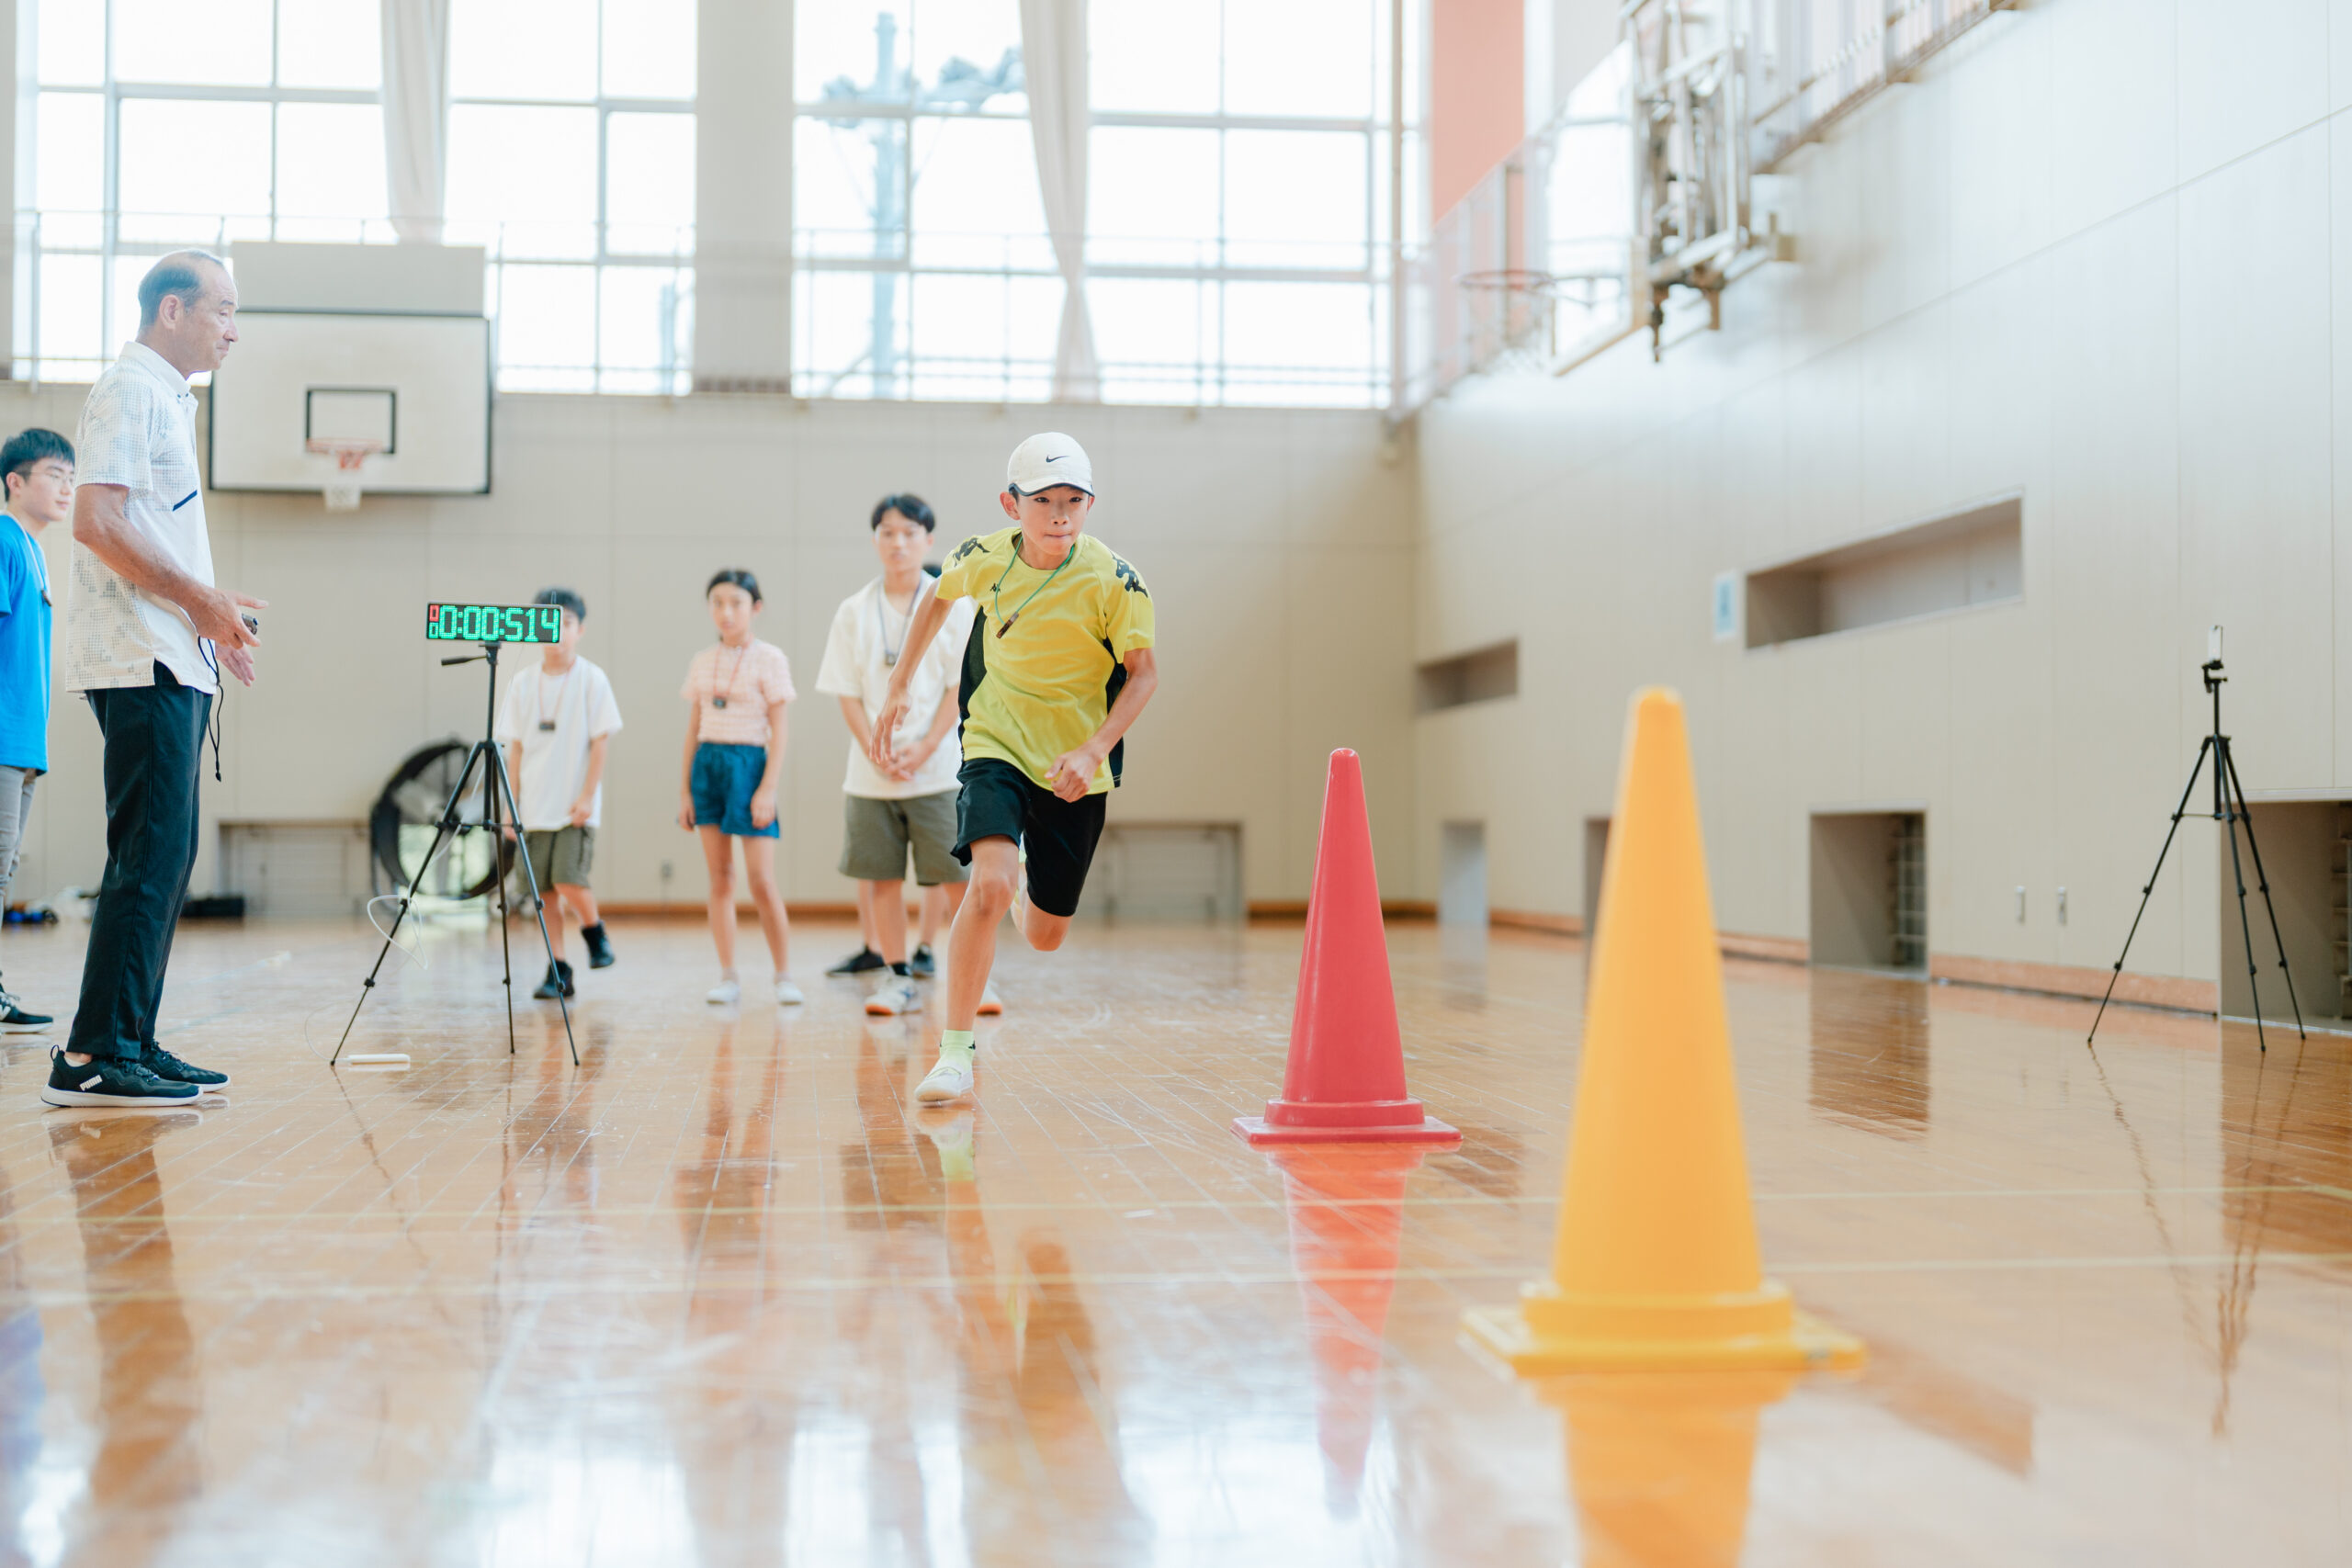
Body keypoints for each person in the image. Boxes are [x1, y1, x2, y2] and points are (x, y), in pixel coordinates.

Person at [872, 433, 1158, 1103]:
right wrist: (901, 681)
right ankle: (954, 1052)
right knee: (989, 884)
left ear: (1090, 505)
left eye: (1073, 502)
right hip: (994, 740)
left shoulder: (1116, 580)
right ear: (1012, 504)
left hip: (1074, 764)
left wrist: (1093, 749)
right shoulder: (983, 556)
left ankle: (1028, 875)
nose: (1060, 516)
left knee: (1045, 935)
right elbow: (938, 597)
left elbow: (1144, 675)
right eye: (1044, 501)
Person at [41, 251, 261, 1109]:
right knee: (146, 854)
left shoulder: (167, 399)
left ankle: (130, 1037)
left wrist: (213, 613)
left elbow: (150, 534)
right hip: (140, 657)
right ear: (173, 309)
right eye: (223, 310)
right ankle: (93, 1054)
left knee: (167, 855)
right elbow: (96, 522)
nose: (234, 330)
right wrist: (200, 602)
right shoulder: (130, 390)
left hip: (171, 650)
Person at [815, 493, 998, 1020]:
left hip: (937, 771)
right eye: (888, 533)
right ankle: (896, 978)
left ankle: (977, 978)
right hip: (870, 775)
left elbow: (959, 685)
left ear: (928, 540)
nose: (898, 543)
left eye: (909, 533)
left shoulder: (954, 605)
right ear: (875, 540)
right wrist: (874, 749)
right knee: (881, 878)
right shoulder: (853, 611)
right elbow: (846, 692)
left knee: (956, 878)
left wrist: (927, 745)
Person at [495, 586, 623, 1001]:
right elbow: (515, 750)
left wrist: (588, 796)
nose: (557, 631)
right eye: (549, 623)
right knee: (544, 894)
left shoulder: (592, 678)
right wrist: (511, 806)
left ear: (580, 629)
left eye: (566, 623)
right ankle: (558, 968)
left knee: (569, 878)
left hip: (572, 807)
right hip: (533, 807)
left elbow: (601, 742)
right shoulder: (521, 683)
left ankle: (594, 931)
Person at [680, 569, 800, 1006]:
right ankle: (728, 976)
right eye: (717, 603)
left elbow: (780, 730)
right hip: (708, 765)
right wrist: (685, 791)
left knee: (762, 881)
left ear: (756, 607)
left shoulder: (771, 658)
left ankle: (784, 976)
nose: (726, 612)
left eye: (736, 603)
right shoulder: (701, 660)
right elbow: (693, 729)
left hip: (750, 766)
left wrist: (767, 788)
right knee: (720, 878)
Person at [0, 430, 73, 1032]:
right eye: (54, 474)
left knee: (4, 870)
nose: (66, 487)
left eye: (71, 477)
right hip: (3, 738)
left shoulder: (32, 549)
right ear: (15, 482)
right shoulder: (3, 540)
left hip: (23, 743)